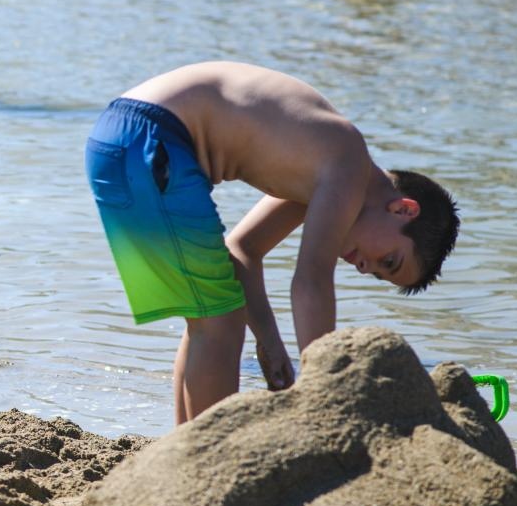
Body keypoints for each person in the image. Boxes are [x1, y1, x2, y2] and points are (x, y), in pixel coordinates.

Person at [85, 61, 459, 426]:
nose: (366, 267)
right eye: (389, 261)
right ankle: (208, 463)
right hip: (154, 138)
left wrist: (269, 340)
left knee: (208, 316)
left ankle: (183, 458)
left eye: (378, 274)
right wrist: (325, 389)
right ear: (403, 209)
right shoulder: (348, 162)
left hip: (121, 136)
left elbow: (243, 249)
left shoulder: (321, 175)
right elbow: (311, 279)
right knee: (220, 321)